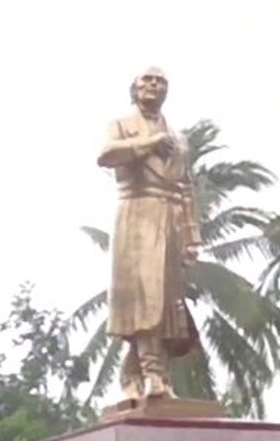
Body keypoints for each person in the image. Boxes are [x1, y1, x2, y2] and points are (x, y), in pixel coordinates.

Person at [96, 66, 202, 401]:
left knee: (168, 304)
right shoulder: (122, 125)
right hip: (136, 213)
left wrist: (191, 235)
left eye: (161, 82)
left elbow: (185, 186)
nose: (154, 86)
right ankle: (152, 375)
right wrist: (149, 143)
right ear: (135, 88)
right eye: (147, 80)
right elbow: (106, 155)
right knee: (144, 298)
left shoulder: (178, 137)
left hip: (169, 216)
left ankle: (139, 377)